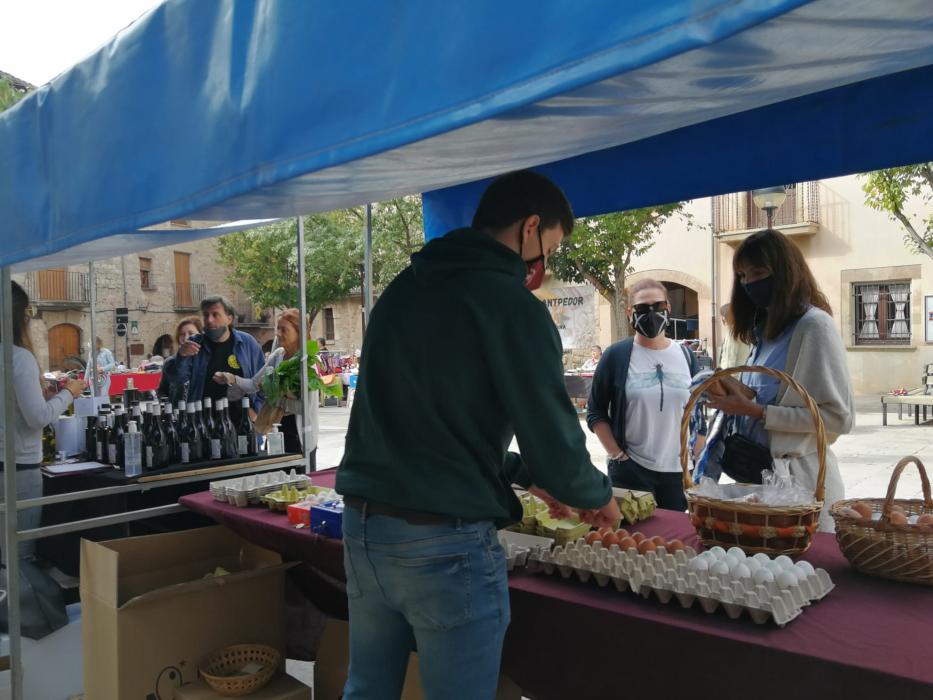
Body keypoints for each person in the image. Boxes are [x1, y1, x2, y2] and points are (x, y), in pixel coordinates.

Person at [335, 170, 619, 700]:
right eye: (550, 247)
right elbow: (553, 439)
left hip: (365, 529)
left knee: (366, 689)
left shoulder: (401, 291)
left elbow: (418, 423)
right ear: (530, 227)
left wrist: (523, 474)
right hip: (444, 540)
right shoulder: (513, 307)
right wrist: (596, 494)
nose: (545, 262)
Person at [705, 229, 854, 531]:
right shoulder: (763, 331)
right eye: (742, 275)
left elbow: (839, 418)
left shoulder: (814, 327)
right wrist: (739, 394)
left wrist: (757, 411)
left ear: (786, 272)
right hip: (762, 485)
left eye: (758, 273)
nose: (749, 283)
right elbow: (773, 395)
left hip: (801, 490)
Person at [587, 278, 701, 511]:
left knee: (674, 533)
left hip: (678, 473)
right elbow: (596, 411)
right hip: (632, 471)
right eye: (642, 308)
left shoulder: (687, 357)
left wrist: (698, 459)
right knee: (634, 533)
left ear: (668, 308)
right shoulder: (615, 356)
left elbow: (698, 412)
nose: (651, 313)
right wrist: (618, 455)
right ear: (630, 312)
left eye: (658, 306)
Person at [0, 282, 85, 562]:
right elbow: (37, 417)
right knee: (20, 557)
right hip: (19, 470)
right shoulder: (19, 358)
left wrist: (45, 397)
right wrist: (69, 393)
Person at [213, 309, 319, 469]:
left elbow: (304, 408)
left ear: (299, 332)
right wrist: (232, 378)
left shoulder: (307, 364)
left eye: (284, 330)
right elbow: (253, 384)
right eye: (278, 328)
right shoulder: (278, 355)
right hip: (276, 429)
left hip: (300, 437)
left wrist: (275, 398)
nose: (278, 333)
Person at [163, 296, 265, 424]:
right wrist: (181, 356)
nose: (209, 320)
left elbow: (264, 379)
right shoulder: (194, 344)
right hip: (203, 424)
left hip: (242, 423)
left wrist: (256, 410)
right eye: (206, 315)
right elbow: (176, 379)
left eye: (215, 314)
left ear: (229, 319)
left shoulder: (247, 343)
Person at [157, 316, 202, 404]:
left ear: (200, 335)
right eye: (182, 334)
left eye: (191, 333)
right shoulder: (170, 362)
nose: (186, 338)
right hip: (177, 411)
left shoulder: (205, 361)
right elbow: (162, 391)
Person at [718, 303, 751, 369]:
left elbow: (729, 361)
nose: (722, 319)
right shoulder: (743, 331)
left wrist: (723, 374)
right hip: (741, 372)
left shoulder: (732, 333)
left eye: (723, 316)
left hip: (732, 373)